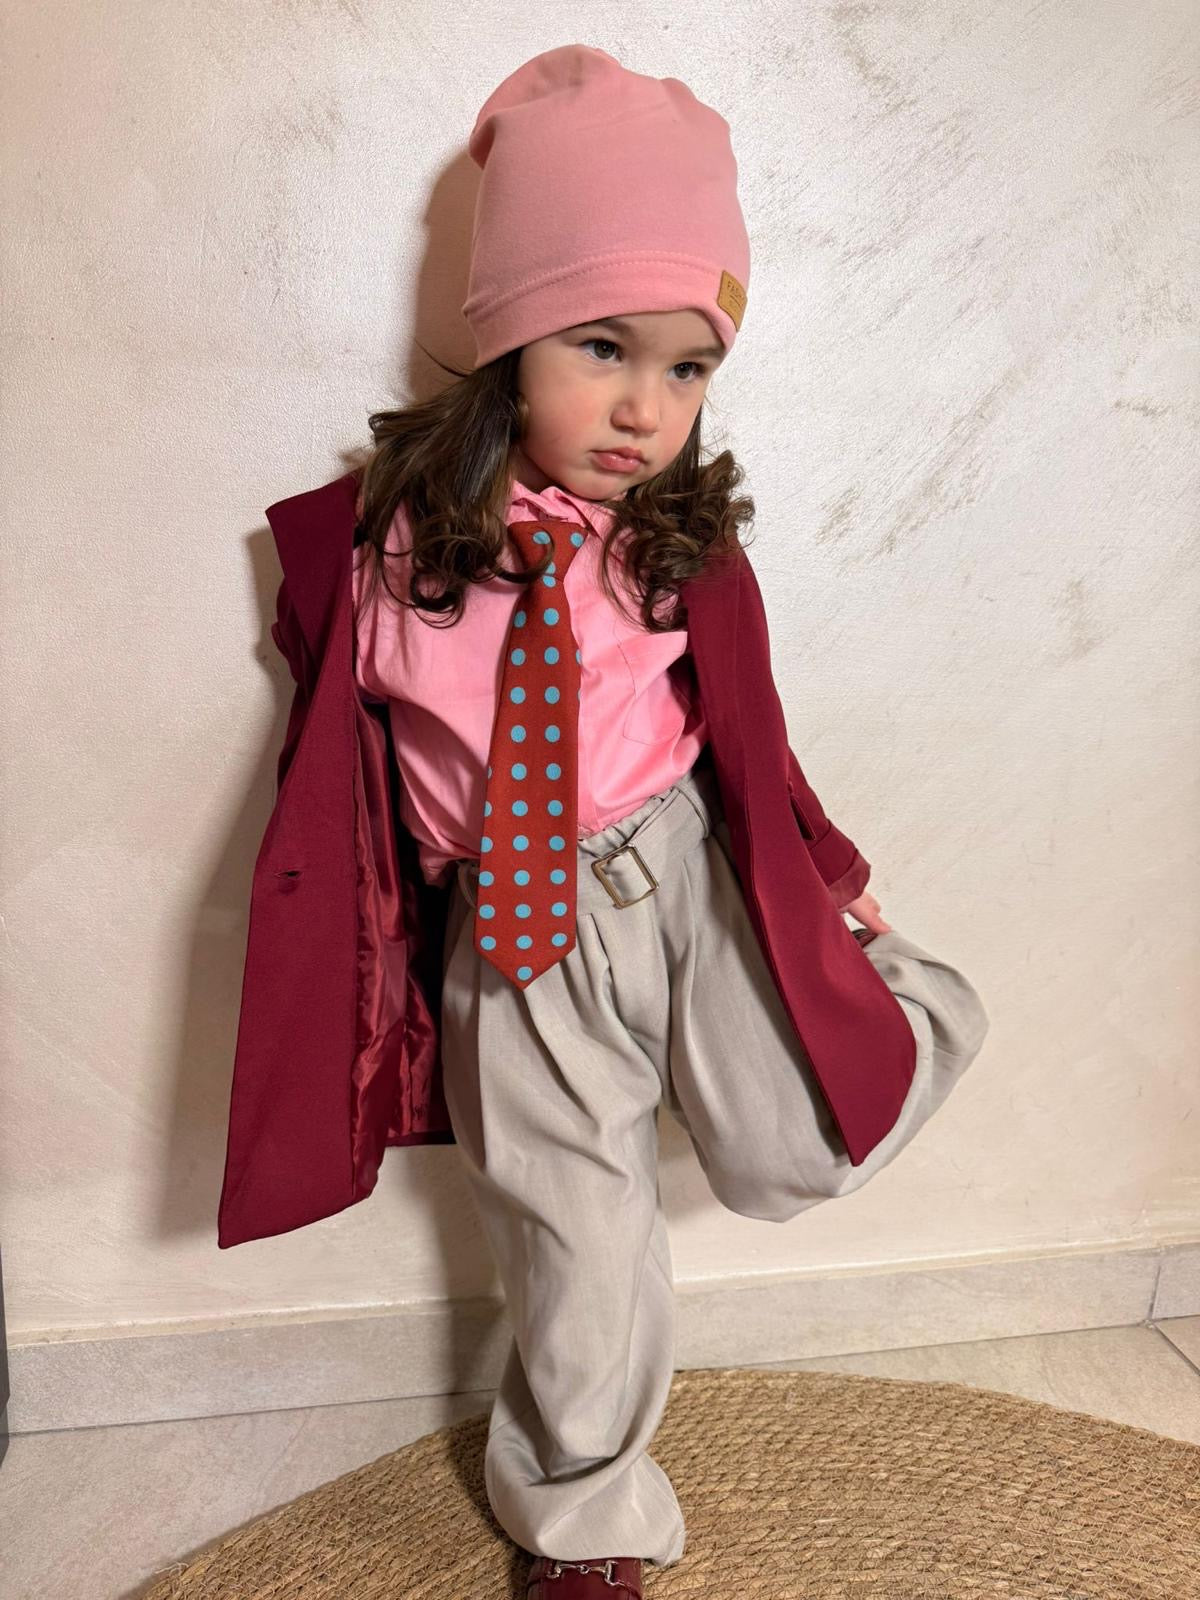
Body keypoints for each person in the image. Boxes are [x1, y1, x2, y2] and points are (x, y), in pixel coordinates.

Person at [219, 45, 990, 1600]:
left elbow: (749, 736)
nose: (646, 408)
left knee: (789, 1148)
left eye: (689, 368)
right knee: (577, 1242)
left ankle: (923, 1010)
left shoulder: (672, 544)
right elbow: (343, 770)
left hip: (682, 871)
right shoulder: (378, 556)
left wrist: (826, 878)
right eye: (603, 348)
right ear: (509, 338)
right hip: (512, 940)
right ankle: (587, 1523)